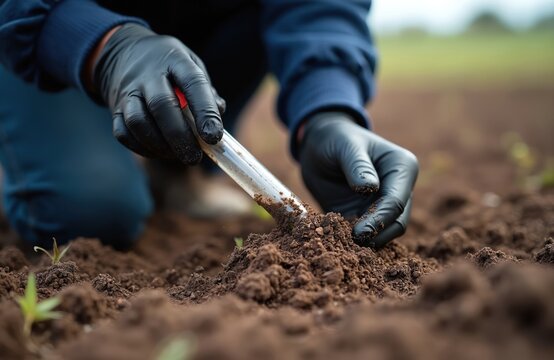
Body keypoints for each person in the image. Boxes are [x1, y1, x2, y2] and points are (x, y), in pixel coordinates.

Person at [0, 0, 418, 250]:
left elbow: (319, 8)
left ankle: (176, 171)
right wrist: (106, 49)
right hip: (43, 37)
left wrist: (326, 109)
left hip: (202, 26)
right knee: (88, 213)